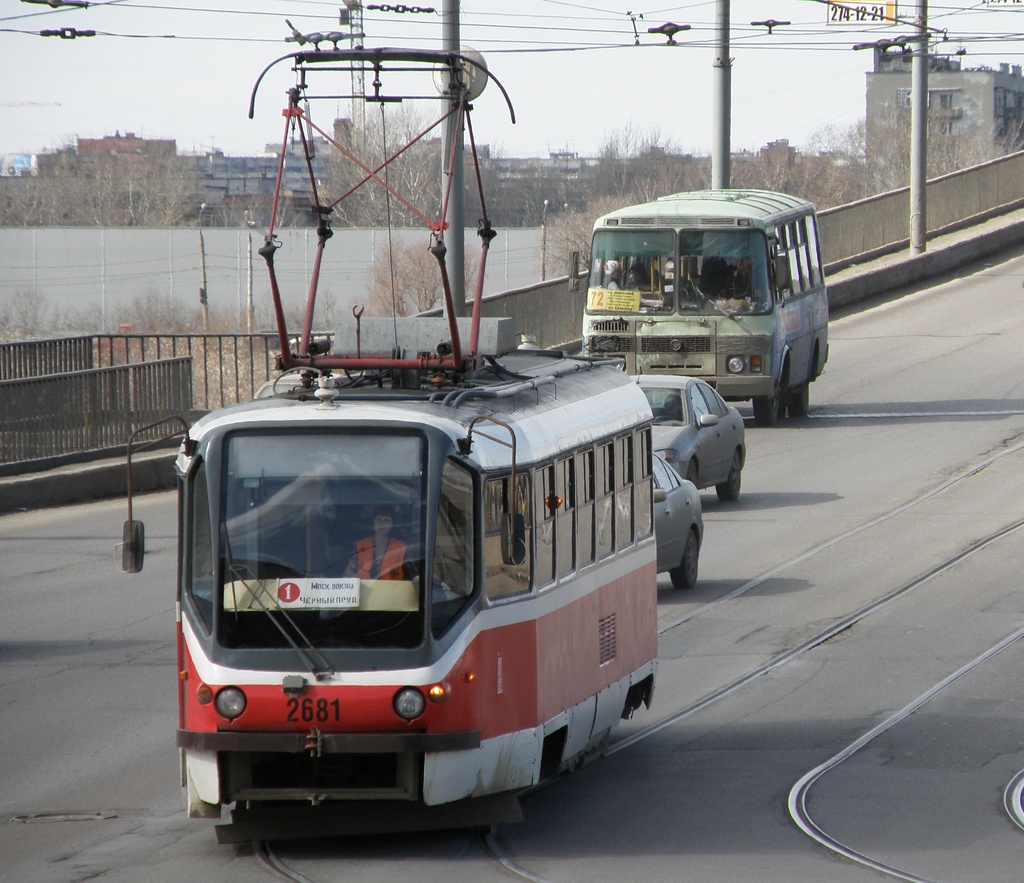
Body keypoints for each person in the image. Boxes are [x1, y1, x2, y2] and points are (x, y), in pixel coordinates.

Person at [344, 505, 407, 580]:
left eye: (386, 521)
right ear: (373, 521)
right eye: (378, 519)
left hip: (392, 591)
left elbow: (411, 578)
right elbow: (348, 578)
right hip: (363, 591)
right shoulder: (360, 546)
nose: (381, 524)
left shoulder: (401, 548)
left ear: (392, 524)